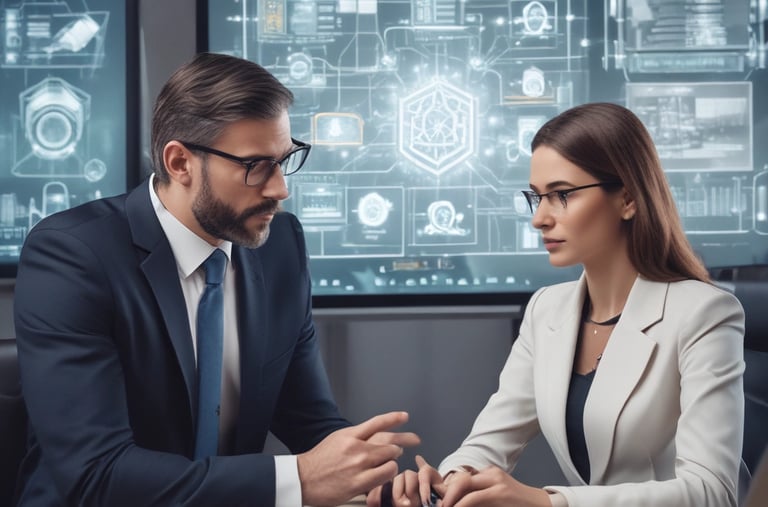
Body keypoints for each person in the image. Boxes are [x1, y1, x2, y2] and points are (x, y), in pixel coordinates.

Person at [13, 52, 419, 507]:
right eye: (255, 166)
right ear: (180, 162)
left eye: (285, 160)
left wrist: (380, 479)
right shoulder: (72, 256)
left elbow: (310, 421)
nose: (280, 189)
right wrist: (297, 479)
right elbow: (97, 475)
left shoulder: (280, 245)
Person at [368, 102, 745, 507]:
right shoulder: (547, 308)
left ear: (629, 199)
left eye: (562, 195)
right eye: (537, 197)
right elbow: (489, 442)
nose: (540, 219)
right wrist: (446, 482)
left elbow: (712, 492)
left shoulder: (704, 314)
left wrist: (550, 503)